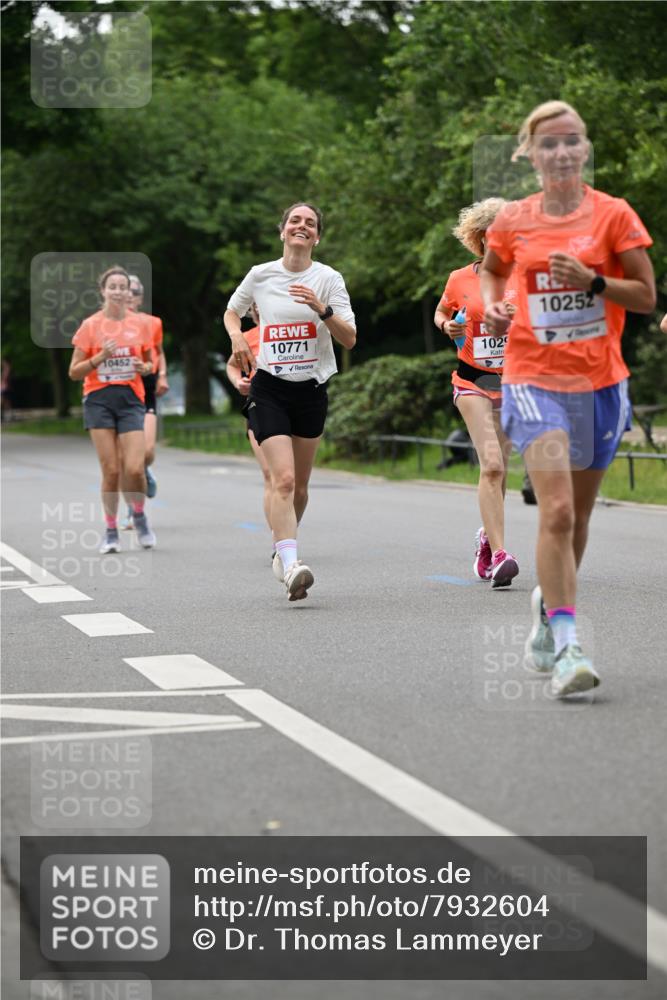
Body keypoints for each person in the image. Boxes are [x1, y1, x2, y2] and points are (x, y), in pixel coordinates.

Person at [480, 100, 656, 697]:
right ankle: (566, 643)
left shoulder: (613, 215)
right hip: (533, 378)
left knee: (577, 519)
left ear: (584, 149)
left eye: (570, 141)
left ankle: (546, 605)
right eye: (547, 143)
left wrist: (594, 282)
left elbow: (646, 297)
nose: (560, 152)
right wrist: (497, 304)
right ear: (529, 154)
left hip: (601, 382)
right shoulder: (513, 218)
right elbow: (492, 269)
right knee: (554, 511)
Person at [224, 203, 356, 601]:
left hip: (310, 390)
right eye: (295, 221)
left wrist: (323, 310)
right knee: (281, 479)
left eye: (310, 223)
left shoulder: (328, 278)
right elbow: (232, 313)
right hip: (269, 387)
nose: (302, 227)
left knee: (299, 487)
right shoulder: (260, 275)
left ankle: (283, 547)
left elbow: (349, 338)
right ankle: (291, 563)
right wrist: (236, 336)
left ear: (317, 236)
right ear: (282, 231)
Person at [434, 198, 519, 587]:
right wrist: (447, 326)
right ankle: (502, 554)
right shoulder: (459, 279)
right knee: (493, 466)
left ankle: (487, 537)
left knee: (500, 470)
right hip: (471, 380)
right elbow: (442, 312)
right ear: (482, 237)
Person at [69, 266, 157, 553]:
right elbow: (74, 372)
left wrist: (145, 368)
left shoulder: (141, 325)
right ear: (103, 291)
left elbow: (149, 362)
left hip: (131, 399)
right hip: (98, 399)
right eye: (113, 286)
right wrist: (100, 358)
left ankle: (140, 515)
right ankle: (110, 530)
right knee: (111, 471)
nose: (119, 291)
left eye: (123, 287)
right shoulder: (90, 326)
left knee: (135, 467)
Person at [226, 303, 276, 564]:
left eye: (263, 303)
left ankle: (287, 527)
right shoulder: (247, 337)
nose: (259, 309)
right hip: (259, 408)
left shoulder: (293, 330)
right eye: (255, 305)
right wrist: (239, 382)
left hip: (294, 407)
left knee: (294, 483)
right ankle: (279, 539)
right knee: (271, 475)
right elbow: (232, 366)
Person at [120, 275, 169, 528]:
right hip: (117, 393)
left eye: (134, 291)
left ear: (140, 297)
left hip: (145, 390)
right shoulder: (107, 324)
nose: (129, 295)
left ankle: (144, 471)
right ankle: (132, 509)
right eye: (125, 290)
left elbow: (159, 353)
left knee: (146, 451)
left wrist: (161, 375)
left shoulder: (150, 324)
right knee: (124, 460)